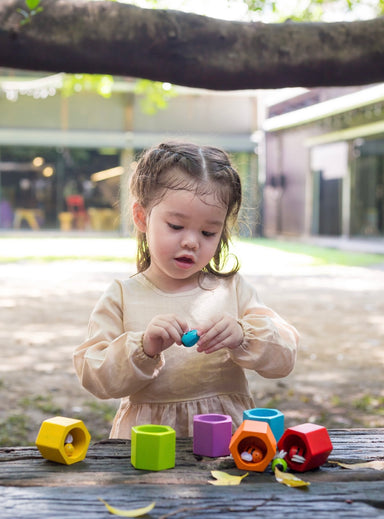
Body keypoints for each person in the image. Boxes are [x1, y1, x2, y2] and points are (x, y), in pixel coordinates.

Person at [73, 141, 299, 438]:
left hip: (226, 444)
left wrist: (244, 335)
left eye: (208, 232)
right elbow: (95, 375)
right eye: (176, 226)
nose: (192, 242)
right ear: (142, 217)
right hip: (146, 444)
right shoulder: (122, 296)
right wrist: (144, 347)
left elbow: (285, 355)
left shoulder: (232, 290)